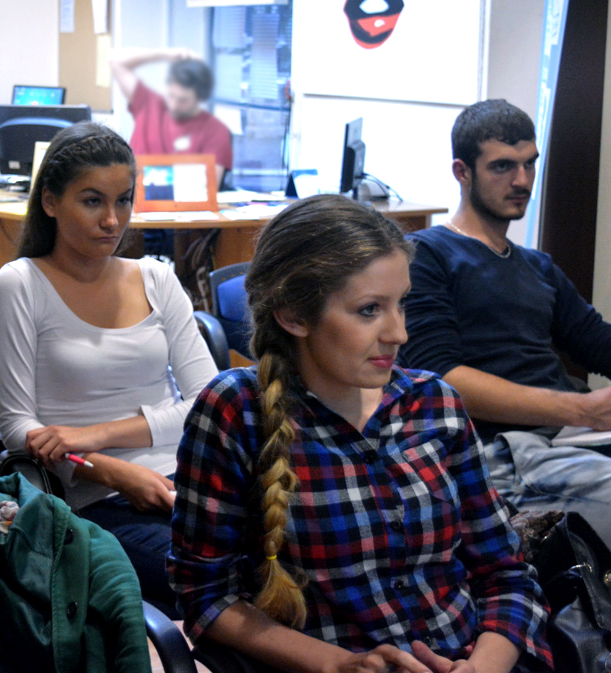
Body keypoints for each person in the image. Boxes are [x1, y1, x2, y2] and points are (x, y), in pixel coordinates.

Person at [170, 194, 552, 673]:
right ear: (293, 315)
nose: (399, 334)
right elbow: (205, 595)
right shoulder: (237, 411)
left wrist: (481, 667)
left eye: (401, 304)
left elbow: (506, 574)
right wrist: (339, 664)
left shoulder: (435, 403)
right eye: (370, 310)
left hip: (467, 655)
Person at [0, 121, 218, 616]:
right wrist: (110, 470)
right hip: (92, 498)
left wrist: (96, 434)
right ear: (50, 201)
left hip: (188, 477)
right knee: (212, 577)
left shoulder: (156, 278)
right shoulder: (21, 283)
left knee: (292, 550)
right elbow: (17, 429)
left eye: (123, 200)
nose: (112, 221)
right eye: (92, 201)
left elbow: (209, 403)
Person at [398, 99, 611, 545]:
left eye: (529, 164)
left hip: (567, 438)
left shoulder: (538, 267)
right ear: (462, 172)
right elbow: (439, 378)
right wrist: (582, 410)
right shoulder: (426, 255)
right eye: (502, 166)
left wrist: (583, 414)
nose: (522, 180)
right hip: (500, 450)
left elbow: (599, 343)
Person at [108, 47, 232, 186]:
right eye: (171, 95)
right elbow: (116, 61)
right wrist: (167, 54)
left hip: (180, 199)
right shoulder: (148, 103)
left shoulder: (216, 131)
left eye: (183, 100)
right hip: (129, 196)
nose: (173, 105)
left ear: (200, 97)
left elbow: (209, 187)